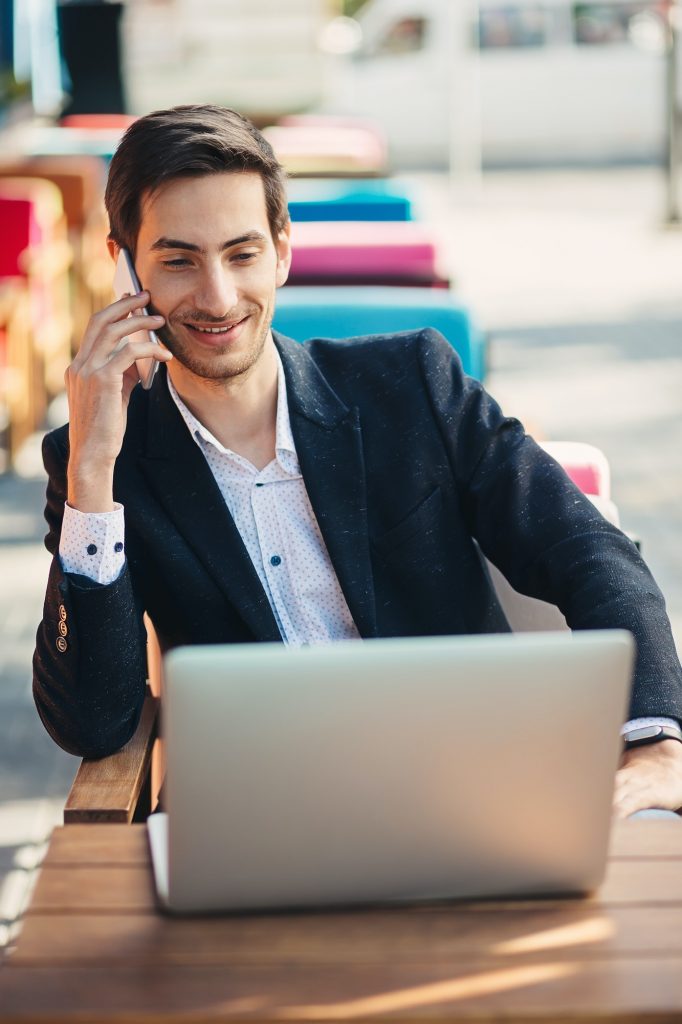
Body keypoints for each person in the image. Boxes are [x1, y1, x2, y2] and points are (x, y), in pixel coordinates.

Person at [33, 104, 682, 819]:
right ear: (123, 267)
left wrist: (655, 738)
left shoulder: (413, 384)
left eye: (242, 254)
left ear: (282, 249)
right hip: (259, 824)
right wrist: (94, 474)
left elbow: (586, 551)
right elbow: (94, 721)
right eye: (179, 260)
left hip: (467, 792)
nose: (217, 298)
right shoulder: (102, 461)